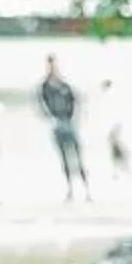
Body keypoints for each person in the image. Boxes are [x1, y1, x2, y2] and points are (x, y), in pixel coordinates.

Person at [39, 56, 88, 200]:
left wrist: (72, 119)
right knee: (65, 159)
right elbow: (42, 107)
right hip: (58, 127)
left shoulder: (65, 86)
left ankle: (86, 189)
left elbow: (76, 102)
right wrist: (52, 119)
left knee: (78, 158)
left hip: (69, 125)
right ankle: (70, 189)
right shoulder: (45, 88)